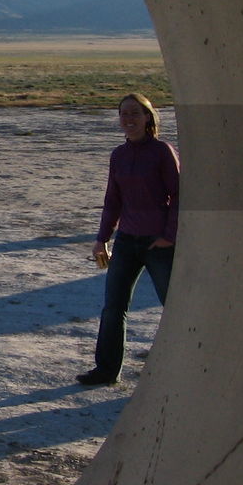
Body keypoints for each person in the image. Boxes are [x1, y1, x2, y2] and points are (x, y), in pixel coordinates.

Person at [78, 92, 180, 386]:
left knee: (173, 307)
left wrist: (169, 236)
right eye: (124, 114)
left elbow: (178, 196)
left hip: (158, 244)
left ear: (148, 117)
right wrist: (102, 239)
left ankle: (185, 368)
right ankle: (107, 371)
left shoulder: (162, 151)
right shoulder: (118, 155)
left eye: (135, 113)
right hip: (126, 241)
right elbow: (113, 200)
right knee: (114, 307)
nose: (129, 119)